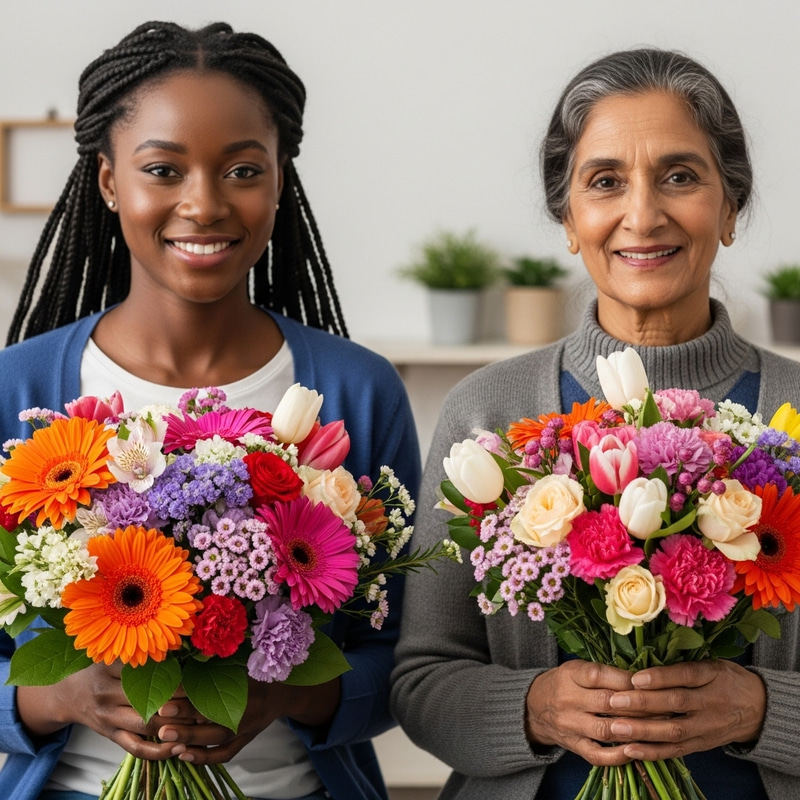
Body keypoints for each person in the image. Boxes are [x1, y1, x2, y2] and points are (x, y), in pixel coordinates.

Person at [0, 21, 420, 800]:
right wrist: (53, 696)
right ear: (108, 181)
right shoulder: (16, 390)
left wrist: (290, 694)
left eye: (241, 170)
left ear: (280, 178)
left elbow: (410, 657)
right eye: (163, 168)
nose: (203, 203)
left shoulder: (358, 391)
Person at [390, 48, 800, 800]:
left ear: (732, 209)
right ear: (570, 220)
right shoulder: (488, 413)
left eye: (681, 176)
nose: (642, 215)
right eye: (605, 182)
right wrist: (533, 708)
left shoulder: (794, 414)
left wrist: (764, 710)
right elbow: (419, 679)